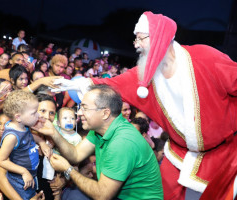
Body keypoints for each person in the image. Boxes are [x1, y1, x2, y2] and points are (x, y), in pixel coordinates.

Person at [52, 11, 237, 200]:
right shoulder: (145, 74)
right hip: (178, 154)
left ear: (159, 37)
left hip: (222, 153)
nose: (136, 44)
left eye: (140, 38)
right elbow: (112, 83)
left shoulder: (205, 57)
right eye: (135, 39)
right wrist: (77, 83)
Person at [33, 85, 163, 199]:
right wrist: (54, 133)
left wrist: (68, 170)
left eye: (84, 108)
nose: (78, 113)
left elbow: (102, 195)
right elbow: (76, 154)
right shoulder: (101, 129)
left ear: (105, 113)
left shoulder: (122, 142)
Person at [0, 90, 40, 200]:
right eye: (34, 113)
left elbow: (29, 136)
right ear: (18, 117)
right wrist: (23, 171)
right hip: (20, 181)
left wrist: (42, 143)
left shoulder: (23, 126)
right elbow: (1, 160)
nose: (38, 115)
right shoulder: (12, 136)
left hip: (30, 175)